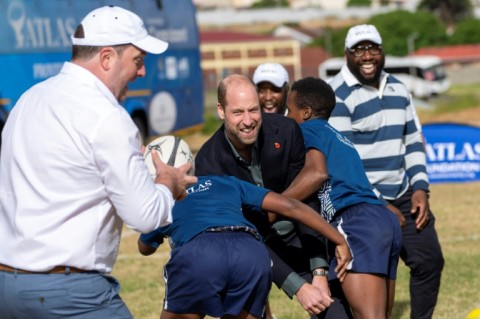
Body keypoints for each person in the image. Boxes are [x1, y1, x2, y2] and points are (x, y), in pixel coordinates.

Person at [0, 6, 196, 319]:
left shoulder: (29, 99)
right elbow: (144, 217)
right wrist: (167, 184)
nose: (142, 71)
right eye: (138, 60)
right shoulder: (107, 117)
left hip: (7, 286)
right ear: (107, 58)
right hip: (68, 292)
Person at [195, 74, 351, 318]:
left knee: (335, 312)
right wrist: (297, 287)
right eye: (237, 112)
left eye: (253, 110)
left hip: (297, 234)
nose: (248, 121)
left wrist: (318, 271)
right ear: (221, 111)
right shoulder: (208, 162)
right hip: (245, 247)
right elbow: (239, 234)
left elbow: (306, 200)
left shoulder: (286, 130)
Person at [328, 24, 444, 319]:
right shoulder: (336, 95)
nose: (367, 55)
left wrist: (420, 187)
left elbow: (412, 141)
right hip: (361, 200)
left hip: (404, 193)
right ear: (346, 55)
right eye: (359, 49)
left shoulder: (399, 88)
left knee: (429, 261)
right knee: (370, 279)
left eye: (373, 48)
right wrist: (377, 202)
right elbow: (343, 159)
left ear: (382, 52)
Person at [138, 173, 352, 319]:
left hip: (200, 251)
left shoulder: (165, 199)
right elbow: (290, 206)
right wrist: (338, 239)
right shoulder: (224, 181)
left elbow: (144, 247)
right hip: (250, 250)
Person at [284, 76, 403, 319]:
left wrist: (275, 205)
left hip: (354, 220)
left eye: (290, 110)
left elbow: (316, 174)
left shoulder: (306, 130)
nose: (287, 116)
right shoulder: (338, 137)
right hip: (381, 219)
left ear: (305, 113)